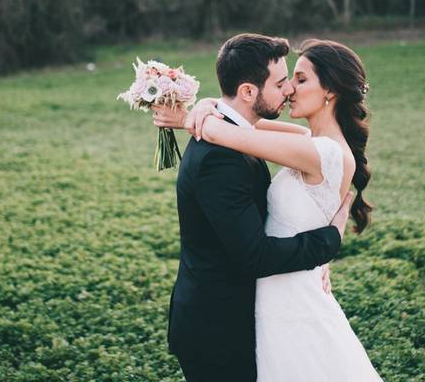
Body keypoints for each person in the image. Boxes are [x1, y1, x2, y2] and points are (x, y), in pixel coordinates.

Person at [152, 34, 361, 382]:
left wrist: (199, 114)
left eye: (298, 79)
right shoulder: (225, 156)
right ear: (249, 91)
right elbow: (247, 131)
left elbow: (246, 132)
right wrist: (326, 243)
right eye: (283, 82)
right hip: (218, 326)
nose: (290, 90)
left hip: (272, 308)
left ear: (330, 92)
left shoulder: (312, 149)